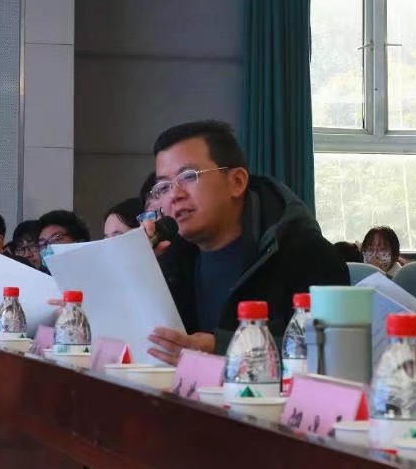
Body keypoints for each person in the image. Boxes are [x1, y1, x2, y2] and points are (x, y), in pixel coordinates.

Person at [145, 120, 349, 363]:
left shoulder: (307, 255)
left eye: (189, 176)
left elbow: (330, 355)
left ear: (237, 182)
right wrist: (140, 271)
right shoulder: (171, 260)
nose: (174, 195)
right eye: (163, 187)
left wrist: (223, 349)